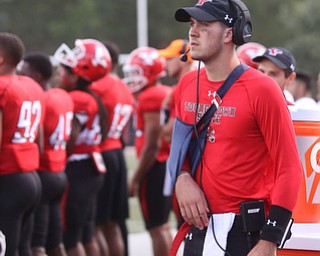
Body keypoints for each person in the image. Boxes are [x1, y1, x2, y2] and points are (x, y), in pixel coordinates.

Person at [168, 1, 302, 255]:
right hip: (197, 228)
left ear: (230, 33)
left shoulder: (262, 89)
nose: (193, 32)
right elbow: (179, 148)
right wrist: (182, 177)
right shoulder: (186, 84)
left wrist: (269, 241)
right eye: (192, 24)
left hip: (244, 231)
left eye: (204, 25)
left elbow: (289, 168)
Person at [53, 38, 110, 256]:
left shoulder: (78, 98)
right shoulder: (89, 96)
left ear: (77, 74)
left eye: (63, 69)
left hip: (79, 170)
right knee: (86, 235)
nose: (59, 74)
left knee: (71, 239)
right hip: (90, 168)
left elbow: (71, 138)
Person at [17, 52, 74, 256]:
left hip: (43, 171)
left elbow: (37, 142)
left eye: (23, 72)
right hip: (59, 172)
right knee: (55, 243)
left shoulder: (40, 97)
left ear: (37, 75)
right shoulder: (63, 95)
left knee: (37, 245)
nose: (19, 76)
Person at [123, 46, 173, 256]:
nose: (132, 78)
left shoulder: (151, 96)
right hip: (165, 164)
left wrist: (135, 177)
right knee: (162, 226)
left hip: (156, 166)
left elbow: (152, 144)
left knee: (155, 227)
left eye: (136, 73)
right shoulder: (161, 92)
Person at [0, 32, 45, 256]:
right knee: (23, 249)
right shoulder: (31, 85)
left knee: (7, 250)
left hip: (8, 177)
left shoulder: (3, 87)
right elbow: (40, 136)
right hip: (31, 176)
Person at [91, 43, 134, 256]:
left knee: (97, 224)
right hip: (117, 151)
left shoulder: (99, 85)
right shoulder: (123, 86)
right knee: (113, 224)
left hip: (103, 152)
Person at [157, 39, 194, 229]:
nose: (166, 63)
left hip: (185, 165)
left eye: (170, 58)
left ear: (183, 58)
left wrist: (165, 105)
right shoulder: (186, 85)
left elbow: (169, 131)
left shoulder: (186, 85)